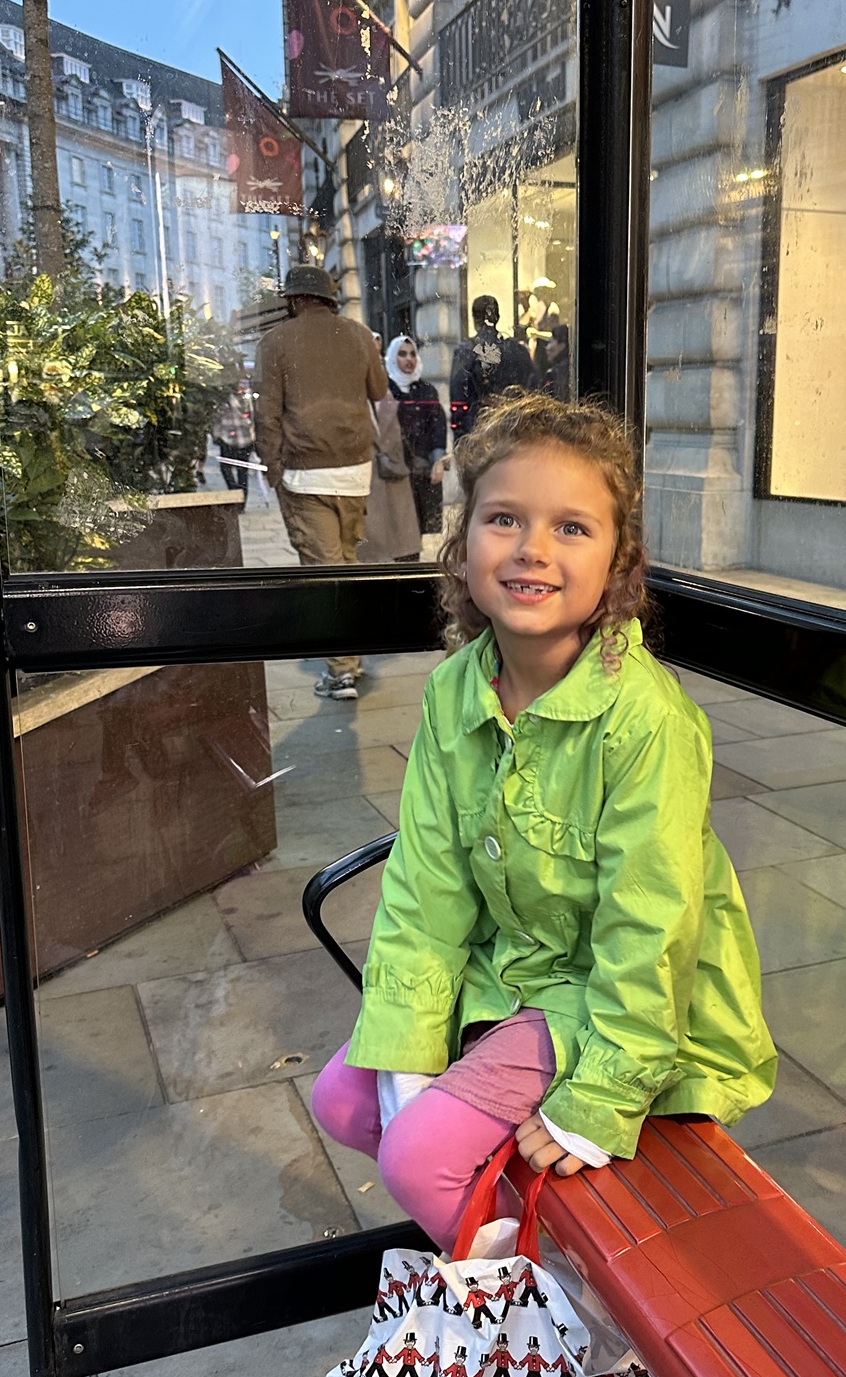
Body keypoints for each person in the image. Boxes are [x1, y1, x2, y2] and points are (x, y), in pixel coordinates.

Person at [309, 391, 777, 1249]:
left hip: (607, 1002)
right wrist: (410, 1046)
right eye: (504, 520)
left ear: (619, 561)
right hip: (515, 974)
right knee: (342, 1099)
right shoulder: (455, 691)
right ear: (462, 545)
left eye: (572, 528)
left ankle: (570, 1303)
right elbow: (424, 887)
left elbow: (654, 931)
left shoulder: (645, 720)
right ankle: (512, 1235)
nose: (532, 550)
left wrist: (601, 1096)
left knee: (416, 1160)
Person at [254, 263, 387, 700]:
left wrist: (273, 468)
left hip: (305, 474)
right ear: (330, 298)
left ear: (294, 300)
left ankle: (341, 671)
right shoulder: (360, 335)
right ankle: (353, 656)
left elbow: (267, 413)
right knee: (347, 563)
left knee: (324, 572)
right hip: (355, 470)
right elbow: (380, 391)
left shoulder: (274, 343)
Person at [384, 334, 449, 539]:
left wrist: (438, 461)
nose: (409, 359)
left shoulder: (426, 391)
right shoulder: (384, 391)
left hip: (420, 473)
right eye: (402, 354)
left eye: (412, 354)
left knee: (417, 533)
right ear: (393, 357)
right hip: (393, 473)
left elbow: (437, 428)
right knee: (397, 533)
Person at [448, 295, 534, 441]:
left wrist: (461, 439)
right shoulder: (519, 351)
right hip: (514, 430)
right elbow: (532, 391)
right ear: (498, 317)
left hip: (480, 431)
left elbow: (458, 397)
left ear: (474, 319)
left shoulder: (466, 351)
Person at [361, 382, 422, 564]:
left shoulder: (390, 392)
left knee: (404, 547)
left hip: (396, 474)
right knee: (371, 553)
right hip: (366, 478)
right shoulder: (348, 394)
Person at [211, 366, 257, 498]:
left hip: (227, 437)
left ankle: (234, 492)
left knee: (226, 468)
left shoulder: (222, 395)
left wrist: (215, 434)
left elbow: (216, 416)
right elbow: (252, 414)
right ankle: (242, 498)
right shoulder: (246, 392)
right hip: (246, 436)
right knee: (243, 470)